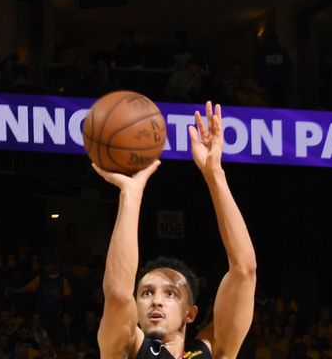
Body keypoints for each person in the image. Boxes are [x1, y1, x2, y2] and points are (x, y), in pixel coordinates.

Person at [93, 101, 257, 359]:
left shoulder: (212, 352)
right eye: (147, 293)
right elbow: (116, 295)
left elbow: (244, 270)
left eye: (170, 293)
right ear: (135, 308)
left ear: (190, 313)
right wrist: (131, 195)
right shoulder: (127, 349)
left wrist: (215, 174)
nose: (156, 301)